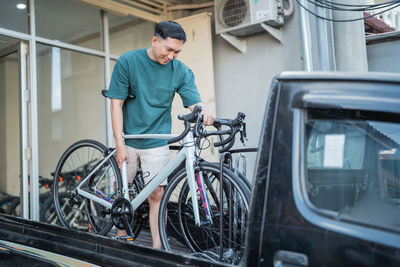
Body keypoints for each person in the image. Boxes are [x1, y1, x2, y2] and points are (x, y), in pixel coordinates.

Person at [106, 21, 214, 249]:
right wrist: (119, 143)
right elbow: (116, 104)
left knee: (157, 194)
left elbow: (194, 103)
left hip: (156, 139)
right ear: (155, 41)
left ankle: (158, 247)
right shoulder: (129, 61)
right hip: (129, 137)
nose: (172, 56)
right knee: (122, 188)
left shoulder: (181, 71)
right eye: (169, 50)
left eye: (177, 52)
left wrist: (202, 112)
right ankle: (121, 232)